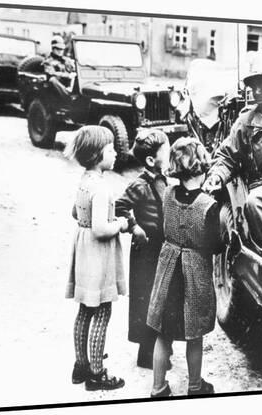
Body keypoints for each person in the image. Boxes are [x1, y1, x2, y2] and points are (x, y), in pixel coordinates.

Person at [146, 137, 222, 397]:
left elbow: (163, 226)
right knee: (195, 334)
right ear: (201, 168)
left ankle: (158, 387)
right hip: (194, 276)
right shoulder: (208, 206)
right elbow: (216, 245)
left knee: (162, 334)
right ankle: (195, 386)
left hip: (169, 274)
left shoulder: (167, 193)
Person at [203, 49, 262, 253]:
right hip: (261, 185)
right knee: (255, 202)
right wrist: (217, 176)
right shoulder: (246, 121)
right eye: (253, 87)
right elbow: (227, 156)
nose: (256, 92)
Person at [65, 125, 128, 391]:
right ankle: (96, 373)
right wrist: (121, 224)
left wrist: (89, 220)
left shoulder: (84, 181)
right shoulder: (101, 188)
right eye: (111, 149)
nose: (115, 153)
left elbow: (74, 213)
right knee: (102, 310)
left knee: (84, 310)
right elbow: (102, 229)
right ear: (96, 155)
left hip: (83, 250)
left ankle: (80, 366)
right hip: (98, 255)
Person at [115, 130, 171, 370]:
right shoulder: (139, 184)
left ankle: (158, 349)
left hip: (161, 247)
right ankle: (146, 353)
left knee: (161, 298)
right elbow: (120, 206)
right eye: (166, 153)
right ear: (151, 161)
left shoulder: (164, 180)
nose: (169, 157)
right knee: (146, 299)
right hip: (146, 251)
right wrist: (134, 226)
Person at [43, 35, 77, 102]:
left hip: (68, 84)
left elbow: (74, 69)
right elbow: (51, 73)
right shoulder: (48, 61)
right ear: (53, 49)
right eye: (57, 49)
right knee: (52, 79)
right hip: (57, 86)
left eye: (61, 49)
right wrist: (68, 75)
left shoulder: (67, 60)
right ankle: (68, 97)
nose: (60, 51)